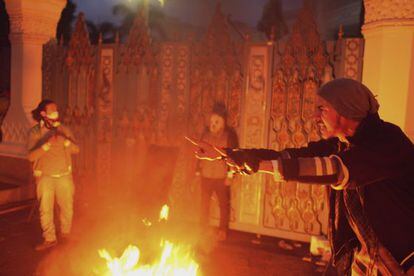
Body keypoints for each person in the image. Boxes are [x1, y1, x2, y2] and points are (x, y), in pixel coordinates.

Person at [192, 79, 414, 275]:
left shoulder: (387, 140)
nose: (315, 116)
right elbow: (291, 157)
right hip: (369, 260)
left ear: (345, 109)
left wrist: (262, 165)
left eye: (322, 109)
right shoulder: (341, 143)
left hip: (404, 260)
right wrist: (229, 155)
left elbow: (335, 170)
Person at [28, 99, 79, 251]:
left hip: (64, 176)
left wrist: (66, 143)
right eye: (52, 110)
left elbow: (76, 150)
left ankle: (66, 234)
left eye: (56, 109)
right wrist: (46, 145)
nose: (56, 112)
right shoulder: (35, 132)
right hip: (45, 177)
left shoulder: (64, 130)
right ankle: (49, 239)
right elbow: (31, 157)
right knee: (46, 210)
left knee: (67, 207)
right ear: (43, 113)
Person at [196, 103, 238, 241]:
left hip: (221, 177)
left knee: (223, 204)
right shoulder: (205, 134)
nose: (213, 124)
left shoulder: (229, 136)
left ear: (223, 122)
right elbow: (199, 152)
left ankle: (222, 230)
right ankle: (202, 229)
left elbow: (233, 157)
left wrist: (231, 174)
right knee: (204, 205)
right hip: (206, 175)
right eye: (212, 121)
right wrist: (198, 172)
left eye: (217, 121)